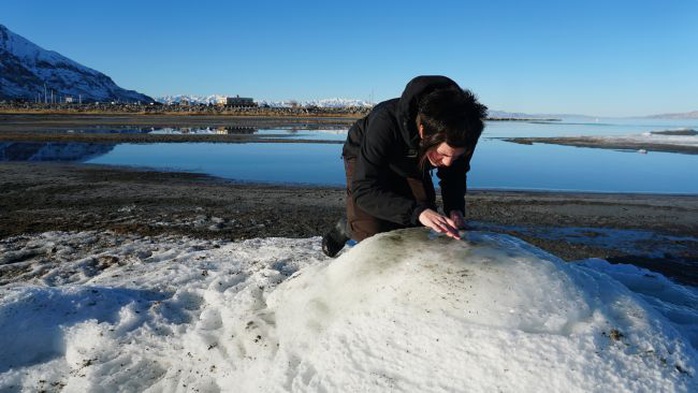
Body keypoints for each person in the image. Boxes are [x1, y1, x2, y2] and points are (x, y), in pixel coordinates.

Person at [322, 75, 487, 257]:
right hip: (365, 153)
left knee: (418, 226)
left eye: (456, 156)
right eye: (443, 154)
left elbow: (455, 174)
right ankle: (348, 226)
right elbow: (364, 189)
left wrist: (454, 208)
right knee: (373, 233)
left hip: (416, 157)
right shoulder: (385, 122)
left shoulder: (464, 129)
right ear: (424, 131)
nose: (448, 162)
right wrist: (417, 211)